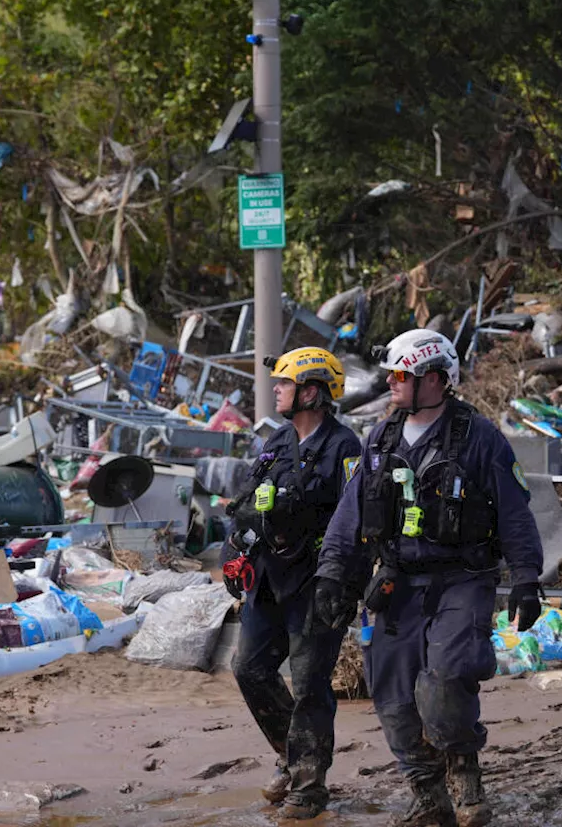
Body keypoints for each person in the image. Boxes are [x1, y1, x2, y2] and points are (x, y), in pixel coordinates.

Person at [311, 329, 544, 827]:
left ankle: (464, 777)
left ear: (435, 380)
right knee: (392, 694)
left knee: (446, 679)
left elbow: (515, 515)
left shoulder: (479, 438)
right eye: (392, 374)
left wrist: (526, 578)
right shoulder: (379, 439)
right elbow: (348, 518)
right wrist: (332, 577)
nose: (392, 384)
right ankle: (427, 793)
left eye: (402, 375)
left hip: (463, 581)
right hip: (395, 585)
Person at [221, 346, 362, 820]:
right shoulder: (277, 443)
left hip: (316, 583)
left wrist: (344, 584)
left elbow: (356, 522)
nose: (275, 389)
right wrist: (233, 554)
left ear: (312, 392)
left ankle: (308, 785)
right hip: (268, 578)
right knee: (249, 669)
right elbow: (247, 504)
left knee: (308, 684)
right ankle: (291, 754)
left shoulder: (346, 448)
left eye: (284, 383)